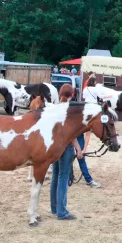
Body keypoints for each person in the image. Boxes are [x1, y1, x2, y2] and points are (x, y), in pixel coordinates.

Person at [50, 84, 83, 220]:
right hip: (66, 147)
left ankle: (54, 207)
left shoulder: (54, 108)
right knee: (63, 177)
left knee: (55, 176)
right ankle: (62, 211)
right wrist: (78, 149)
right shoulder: (69, 111)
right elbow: (71, 134)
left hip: (55, 146)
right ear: (72, 94)